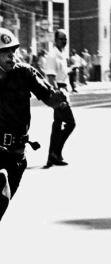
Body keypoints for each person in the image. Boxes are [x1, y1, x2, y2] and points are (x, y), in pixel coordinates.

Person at [0, 28, 67, 220]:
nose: (11, 56)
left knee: (2, 204)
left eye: (13, 51)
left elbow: (47, 95)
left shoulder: (25, 73)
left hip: (16, 154)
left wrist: (56, 99)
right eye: (5, 52)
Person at [44, 29, 76, 167]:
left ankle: (53, 156)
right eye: (62, 39)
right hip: (58, 93)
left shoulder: (62, 54)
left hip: (63, 90)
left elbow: (61, 73)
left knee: (57, 125)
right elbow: (51, 78)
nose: (64, 41)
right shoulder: (52, 55)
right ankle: (55, 153)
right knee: (71, 123)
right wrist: (58, 97)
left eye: (66, 39)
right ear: (55, 40)